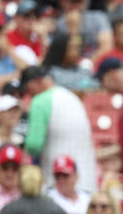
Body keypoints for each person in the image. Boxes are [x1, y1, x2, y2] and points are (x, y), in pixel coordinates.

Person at [22, 66, 96, 194]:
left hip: (58, 182)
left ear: (37, 81)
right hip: (87, 180)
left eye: (28, 89)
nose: (29, 94)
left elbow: (34, 145)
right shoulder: (72, 97)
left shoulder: (40, 101)